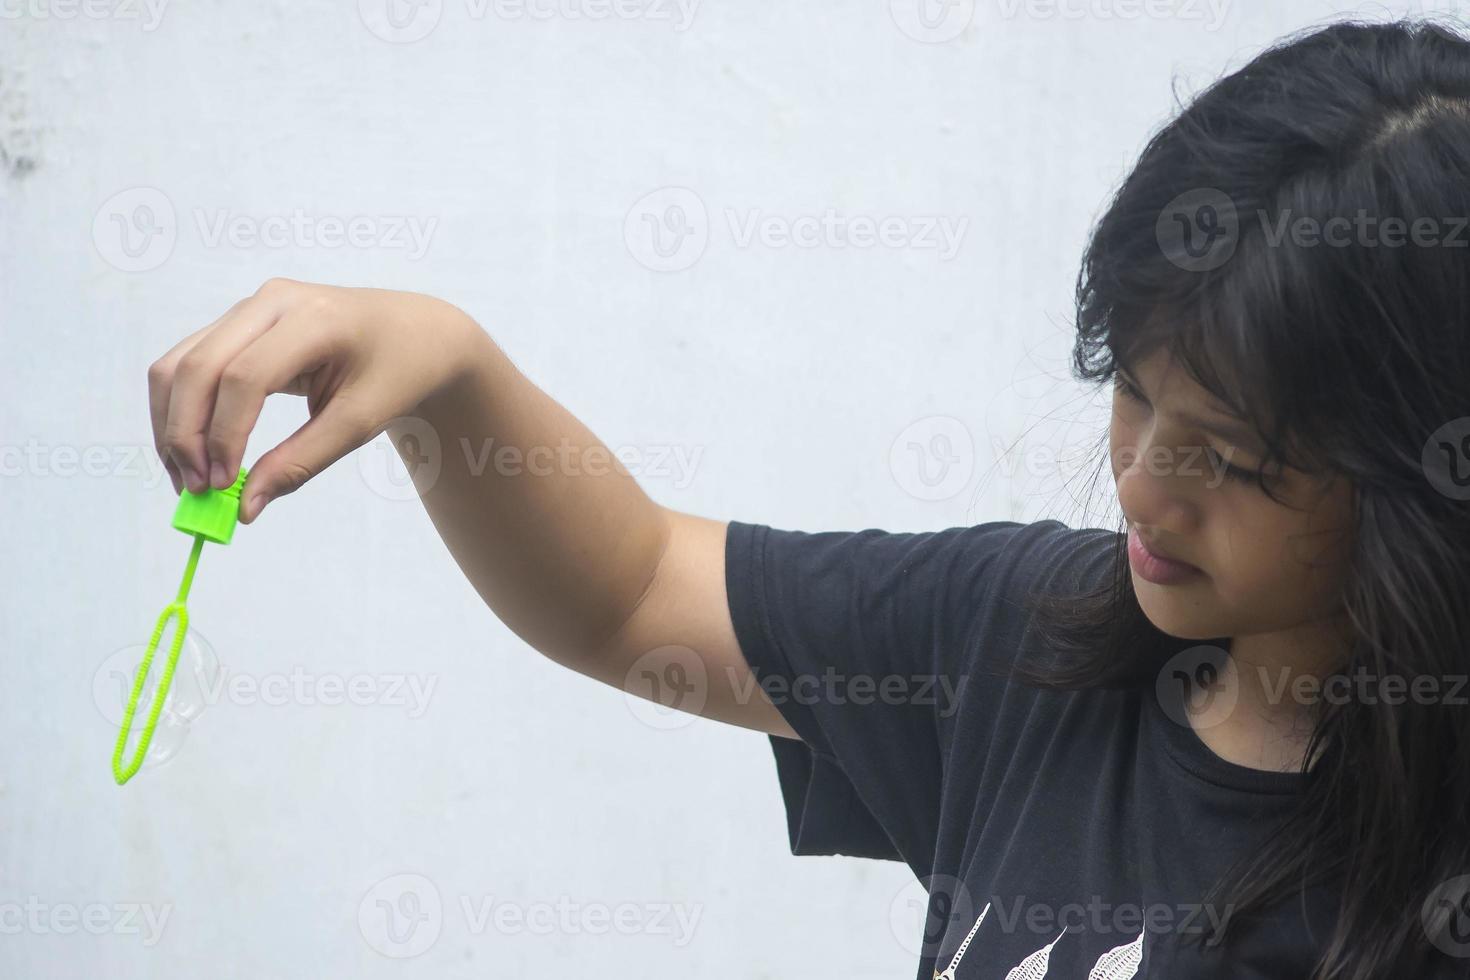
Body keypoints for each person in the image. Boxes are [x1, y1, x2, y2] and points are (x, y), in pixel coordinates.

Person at [145, 16, 1470, 979]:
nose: (1140, 479)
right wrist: (446, 370)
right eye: (1129, 389)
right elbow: (633, 590)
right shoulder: (1034, 645)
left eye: (1231, 460)